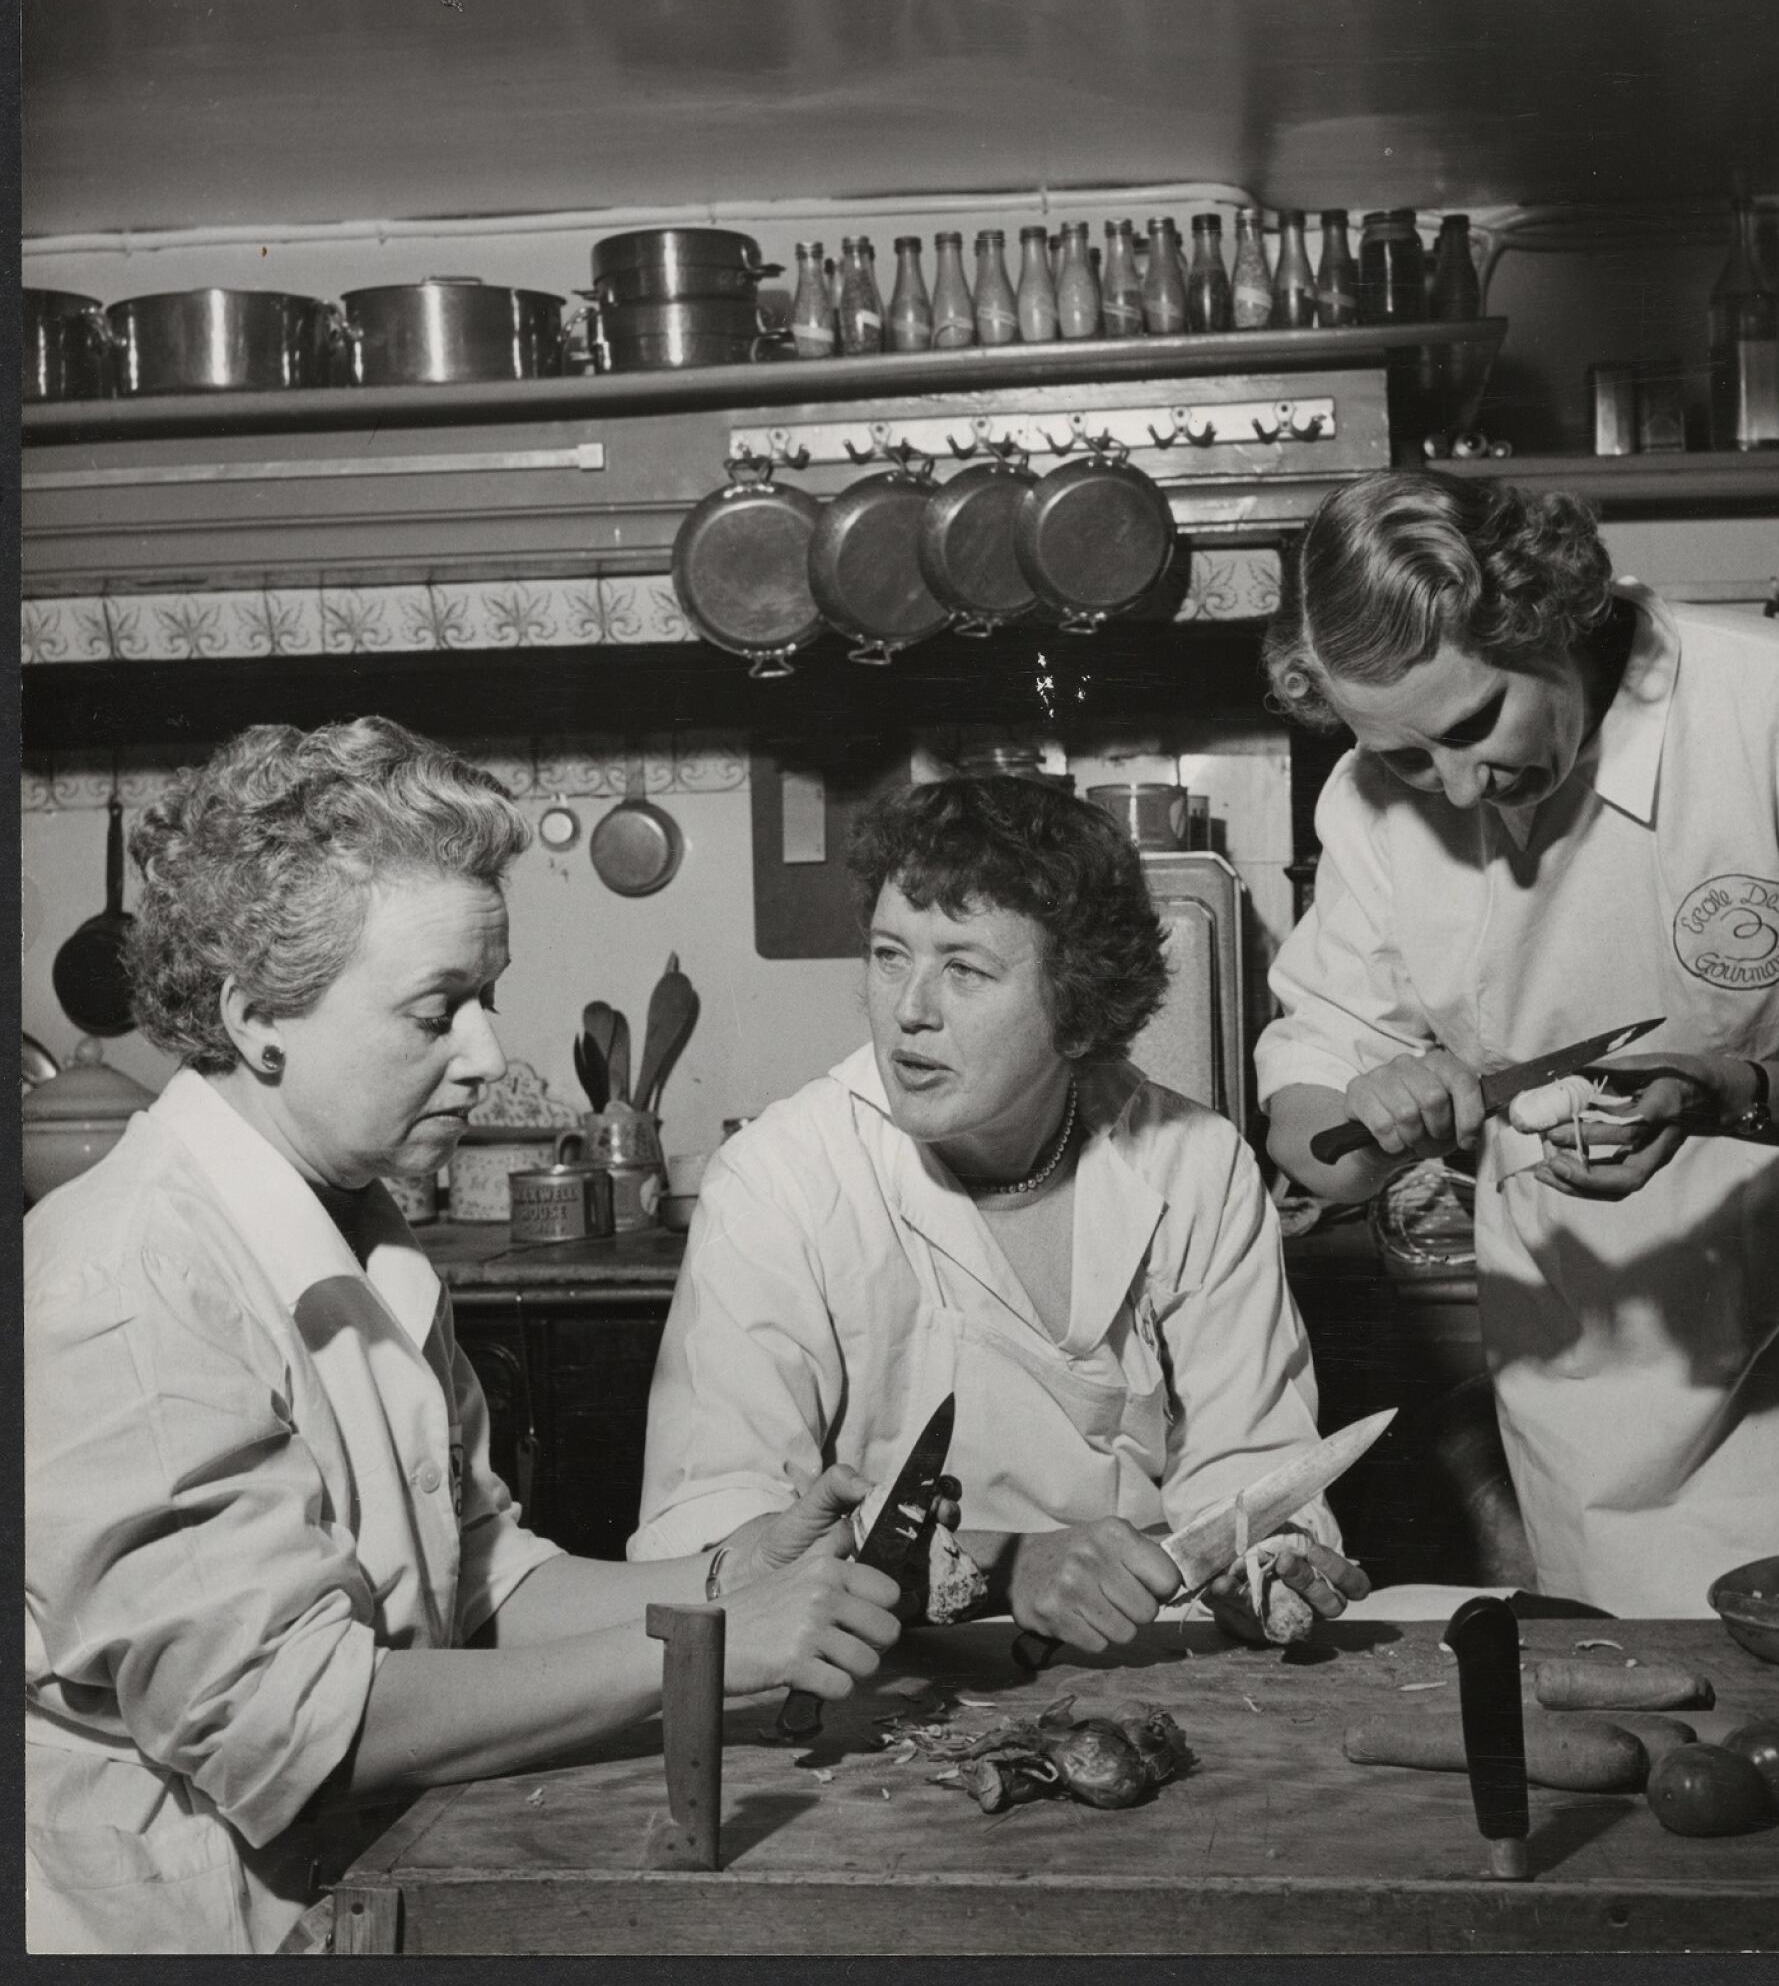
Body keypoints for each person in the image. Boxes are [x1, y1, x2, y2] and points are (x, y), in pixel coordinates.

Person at [24, 718, 904, 1955]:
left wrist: (724, 1576)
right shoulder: (127, 1287)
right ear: (258, 1018)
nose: (488, 1054)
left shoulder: (361, 1231)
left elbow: (479, 1581)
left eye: (486, 998)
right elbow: (297, 1730)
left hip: (363, 1886)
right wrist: (706, 1655)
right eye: (438, 1010)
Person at [1257, 469, 1779, 1617]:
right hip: (1583, 1398)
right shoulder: (1368, 805)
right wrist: (1374, 1119)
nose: (1454, 785)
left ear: (1544, 614)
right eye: (1403, 757)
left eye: (1473, 724)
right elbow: (1312, 1136)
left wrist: (1728, 1094)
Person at [631, 773, 1370, 1654]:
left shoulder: (1194, 1164)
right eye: (889, 955)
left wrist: (1266, 1563)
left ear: (1078, 1005)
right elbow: (715, 1540)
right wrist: (1001, 1564)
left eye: (965, 969)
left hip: (1150, 1666)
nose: (909, 1011)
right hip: (867, 1679)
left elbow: (1249, 1470)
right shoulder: (778, 1182)